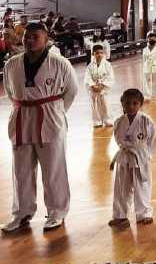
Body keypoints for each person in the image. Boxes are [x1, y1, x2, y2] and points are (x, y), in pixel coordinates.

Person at [1, 22, 78, 233]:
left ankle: (57, 212)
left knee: (53, 169)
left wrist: (56, 112)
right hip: (21, 118)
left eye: (35, 36)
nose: (29, 40)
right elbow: (10, 91)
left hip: (50, 119)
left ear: (46, 38)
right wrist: (25, 106)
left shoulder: (59, 63)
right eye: (27, 36)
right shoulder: (12, 64)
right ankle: (22, 213)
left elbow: (71, 91)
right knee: (21, 170)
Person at [109, 88, 156, 227]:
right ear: (122, 103)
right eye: (127, 103)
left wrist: (147, 156)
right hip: (124, 157)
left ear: (140, 104)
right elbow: (118, 139)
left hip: (141, 157)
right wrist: (125, 149)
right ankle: (120, 215)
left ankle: (144, 214)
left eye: (135, 103)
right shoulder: (118, 121)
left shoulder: (146, 121)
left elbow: (152, 140)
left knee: (142, 185)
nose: (131, 106)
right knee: (121, 187)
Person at [84, 44, 114, 128]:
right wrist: (93, 86)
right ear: (93, 54)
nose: (99, 55)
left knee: (105, 103)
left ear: (103, 53)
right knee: (94, 105)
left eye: (101, 53)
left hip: (103, 89)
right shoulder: (90, 66)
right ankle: (96, 121)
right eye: (97, 53)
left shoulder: (107, 65)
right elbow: (87, 78)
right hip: (94, 89)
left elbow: (110, 77)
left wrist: (102, 85)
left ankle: (107, 119)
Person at [142, 31, 156, 103]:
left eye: (153, 38)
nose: (152, 40)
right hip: (147, 67)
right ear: (147, 39)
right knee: (147, 81)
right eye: (150, 39)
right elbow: (144, 59)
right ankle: (147, 96)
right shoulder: (145, 49)